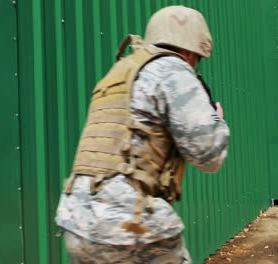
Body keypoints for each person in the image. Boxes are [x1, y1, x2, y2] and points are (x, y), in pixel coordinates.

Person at [55, 6, 230, 263]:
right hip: (126, 226)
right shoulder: (173, 69)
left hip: (76, 223)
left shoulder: (121, 72)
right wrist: (217, 119)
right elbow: (209, 156)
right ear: (190, 51)